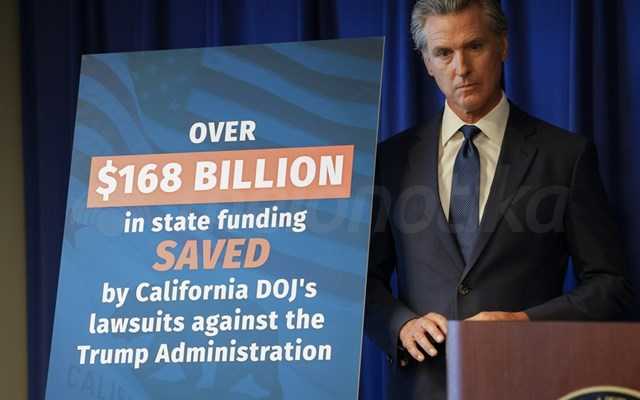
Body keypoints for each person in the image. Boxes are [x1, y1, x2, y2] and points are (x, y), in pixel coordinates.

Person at [363, 0, 633, 398]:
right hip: (423, 387)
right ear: (426, 62)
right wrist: (400, 325)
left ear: (503, 45)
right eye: (444, 53)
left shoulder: (566, 156)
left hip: (531, 382)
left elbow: (611, 286)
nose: (461, 68)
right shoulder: (390, 160)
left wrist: (524, 324)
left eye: (474, 46)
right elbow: (363, 282)